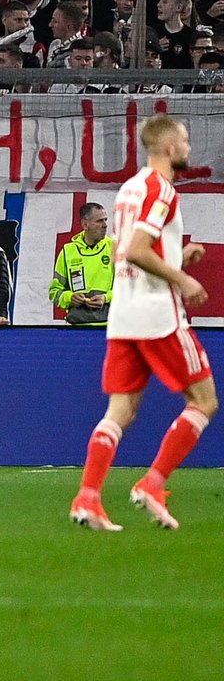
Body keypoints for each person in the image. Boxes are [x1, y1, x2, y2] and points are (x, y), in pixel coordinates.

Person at [70, 114, 218, 532]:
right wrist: (183, 278)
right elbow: (135, 249)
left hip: (124, 313)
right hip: (158, 314)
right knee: (204, 402)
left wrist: (176, 259)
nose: (189, 148)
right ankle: (153, 484)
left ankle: (88, 497)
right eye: (185, 140)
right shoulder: (161, 188)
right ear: (169, 147)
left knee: (121, 409)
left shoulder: (129, 189)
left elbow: (129, 249)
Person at [50, 203, 113, 327]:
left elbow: (128, 289)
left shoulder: (115, 248)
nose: (105, 225)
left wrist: (106, 298)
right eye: (99, 221)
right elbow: (54, 292)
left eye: (105, 220)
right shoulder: (68, 252)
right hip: (76, 327)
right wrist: (69, 297)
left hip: (109, 327)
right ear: (85, 224)